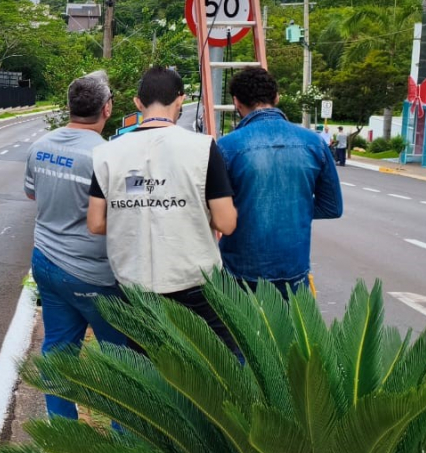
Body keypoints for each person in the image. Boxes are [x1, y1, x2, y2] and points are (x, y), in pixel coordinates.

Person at [86, 66, 240, 354]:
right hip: (195, 283)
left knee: (148, 373)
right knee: (217, 369)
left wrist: (136, 212)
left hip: (133, 285)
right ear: (180, 100)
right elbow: (226, 223)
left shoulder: (106, 152)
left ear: (137, 103)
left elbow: (95, 223)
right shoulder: (203, 147)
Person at [24, 70, 128, 421]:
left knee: (58, 351)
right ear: (107, 109)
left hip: (47, 264)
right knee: (120, 360)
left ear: (69, 106)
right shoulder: (107, 156)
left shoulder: (40, 146)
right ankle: (122, 439)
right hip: (93, 274)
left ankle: (61, 432)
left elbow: (31, 193)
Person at [217, 67, 343, 297]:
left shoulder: (226, 147)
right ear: (276, 97)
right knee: (290, 333)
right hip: (293, 269)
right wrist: (291, 207)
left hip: (240, 271)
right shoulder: (314, 143)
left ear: (236, 102)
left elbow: (215, 211)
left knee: (236, 333)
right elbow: (332, 207)